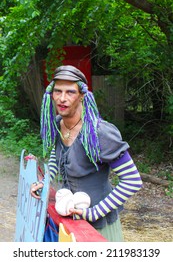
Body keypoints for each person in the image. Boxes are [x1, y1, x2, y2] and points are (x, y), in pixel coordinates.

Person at [31, 65, 142, 241]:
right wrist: (46, 180)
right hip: (68, 220)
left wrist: (93, 213)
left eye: (70, 92)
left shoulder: (99, 133)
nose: (62, 98)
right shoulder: (58, 124)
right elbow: (56, 154)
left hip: (98, 227)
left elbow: (132, 180)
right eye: (57, 91)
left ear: (82, 95)